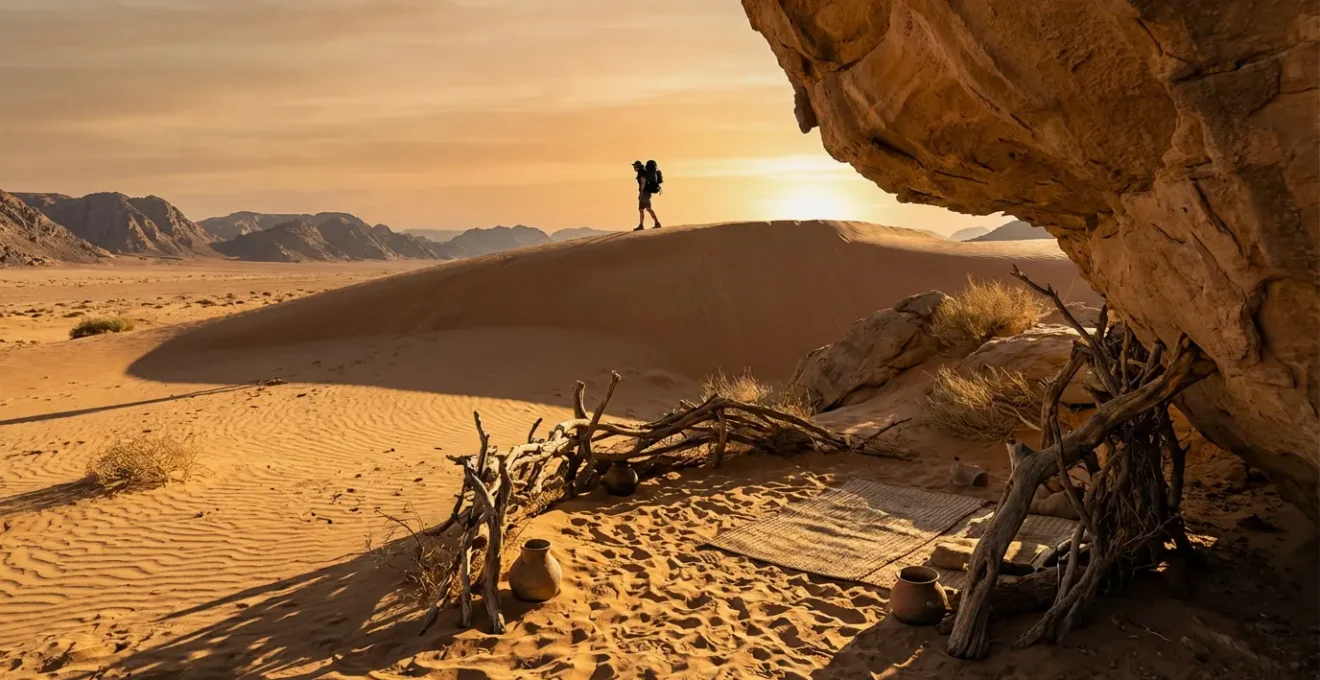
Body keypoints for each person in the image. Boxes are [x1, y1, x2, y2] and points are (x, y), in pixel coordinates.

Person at [633, 159, 662, 231]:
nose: (634, 168)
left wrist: (641, 193)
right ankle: (642, 224)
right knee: (642, 209)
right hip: (646, 192)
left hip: (645, 193)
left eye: (635, 166)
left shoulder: (641, 173)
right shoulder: (643, 172)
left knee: (646, 208)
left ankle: (656, 223)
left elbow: (643, 183)